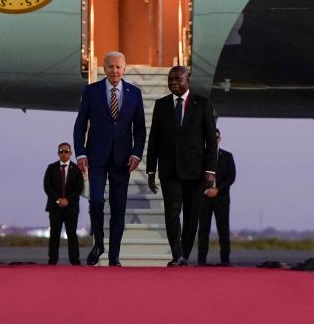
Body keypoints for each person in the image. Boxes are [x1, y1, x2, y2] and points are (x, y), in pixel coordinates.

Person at [73, 51, 146, 267]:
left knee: (118, 207)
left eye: (118, 67)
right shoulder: (91, 91)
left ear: (125, 69)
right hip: (96, 155)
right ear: (104, 69)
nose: (114, 71)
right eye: (110, 67)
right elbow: (79, 126)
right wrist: (80, 152)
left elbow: (140, 130)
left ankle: (114, 255)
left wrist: (136, 153)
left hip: (122, 159)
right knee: (96, 200)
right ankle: (98, 244)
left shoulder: (134, 93)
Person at [147, 65, 217, 266]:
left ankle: (184, 254)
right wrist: (151, 169)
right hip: (169, 170)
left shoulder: (202, 104)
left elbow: (211, 141)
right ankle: (176, 254)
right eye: (170, 79)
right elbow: (154, 139)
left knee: (191, 215)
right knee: (171, 213)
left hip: (196, 171)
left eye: (178, 79)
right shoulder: (161, 105)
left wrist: (210, 171)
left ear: (188, 81)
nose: (173, 83)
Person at [197, 128, 235, 266]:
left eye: (215, 138)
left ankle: (225, 261)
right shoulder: (200, 156)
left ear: (219, 139)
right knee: (203, 230)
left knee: (223, 230)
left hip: (221, 198)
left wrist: (217, 189)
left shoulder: (227, 156)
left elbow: (231, 177)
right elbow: (195, 176)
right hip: (204, 198)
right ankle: (201, 261)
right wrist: (206, 190)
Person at [43, 142, 85, 265]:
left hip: (71, 208)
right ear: (58, 153)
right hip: (55, 207)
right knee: (54, 235)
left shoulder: (76, 169)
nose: (64, 154)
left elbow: (79, 188)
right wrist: (58, 200)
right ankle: (52, 261)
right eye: (61, 151)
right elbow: (47, 187)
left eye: (66, 151)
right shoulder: (51, 168)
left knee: (72, 234)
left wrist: (68, 200)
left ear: (70, 153)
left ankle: (75, 261)